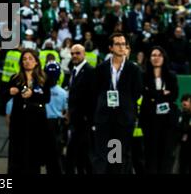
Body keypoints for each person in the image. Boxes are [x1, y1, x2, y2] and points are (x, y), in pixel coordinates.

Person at [92, 33, 143, 174]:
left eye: (124, 44)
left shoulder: (134, 69)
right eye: (118, 44)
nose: (122, 47)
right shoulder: (101, 68)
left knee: (118, 156)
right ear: (110, 48)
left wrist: (123, 103)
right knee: (101, 155)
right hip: (104, 118)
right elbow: (95, 91)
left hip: (123, 119)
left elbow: (136, 93)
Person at [7, 49, 51, 174]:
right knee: (17, 155)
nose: (27, 61)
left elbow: (46, 98)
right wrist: (9, 92)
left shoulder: (43, 79)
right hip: (18, 121)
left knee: (33, 155)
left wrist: (32, 95)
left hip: (36, 122)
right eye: (24, 59)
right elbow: (3, 96)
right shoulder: (15, 78)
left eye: (30, 58)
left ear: (36, 62)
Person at [139, 46, 179, 174]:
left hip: (167, 121)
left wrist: (154, 95)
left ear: (164, 58)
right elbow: (144, 94)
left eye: (159, 55)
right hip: (150, 120)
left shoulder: (171, 76)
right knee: (150, 153)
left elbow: (174, 95)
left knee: (166, 153)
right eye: (153, 55)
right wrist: (163, 93)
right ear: (149, 58)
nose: (156, 58)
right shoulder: (143, 76)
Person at [65, 44, 95, 174]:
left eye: (77, 53)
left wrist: (89, 119)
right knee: (79, 155)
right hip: (75, 119)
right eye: (72, 54)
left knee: (82, 155)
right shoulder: (74, 70)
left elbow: (94, 97)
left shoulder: (90, 71)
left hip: (84, 121)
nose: (74, 56)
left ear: (84, 54)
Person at [44, 61, 68, 174]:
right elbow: (65, 111)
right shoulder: (63, 93)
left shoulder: (39, 89)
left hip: (49, 124)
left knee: (52, 156)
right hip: (55, 125)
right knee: (55, 156)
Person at [178, 94, 191, 174]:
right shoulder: (181, 114)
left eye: (186, 103)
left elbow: (185, 129)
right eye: (183, 103)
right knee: (182, 165)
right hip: (183, 145)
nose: (184, 105)